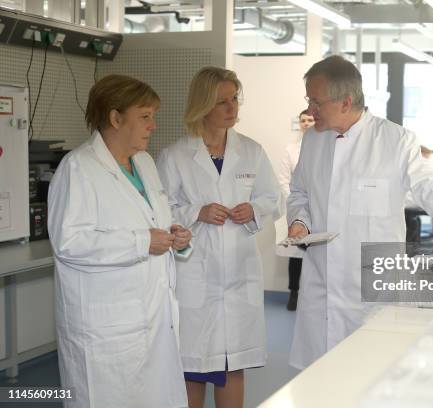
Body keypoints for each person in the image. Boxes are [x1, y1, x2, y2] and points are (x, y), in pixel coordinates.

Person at [286, 55, 433, 369]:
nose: (309, 111)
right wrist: (300, 222)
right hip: (322, 290)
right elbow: (300, 193)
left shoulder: (394, 141)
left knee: (370, 382)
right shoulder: (314, 141)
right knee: (319, 385)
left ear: (346, 102)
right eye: (308, 100)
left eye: (316, 102)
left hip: (370, 294)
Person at [47, 74, 192, 407]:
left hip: (155, 318)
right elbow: (69, 242)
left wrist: (176, 236)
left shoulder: (144, 163)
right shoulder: (78, 168)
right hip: (106, 327)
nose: (153, 125)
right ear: (115, 117)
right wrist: (141, 242)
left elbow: (151, 220)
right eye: (145, 116)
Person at [157, 66, 280, 408]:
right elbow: (160, 208)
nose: (232, 109)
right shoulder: (176, 155)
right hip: (195, 274)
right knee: (192, 366)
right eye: (222, 102)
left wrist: (253, 209)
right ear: (202, 105)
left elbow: (274, 199)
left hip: (239, 272)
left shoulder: (252, 151)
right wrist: (197, 212)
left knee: (232, 363)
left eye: (234, 100)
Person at [277, 109, 315, 310]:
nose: (307, 123)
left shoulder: (326, 147)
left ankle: (313, 297)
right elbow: (284, 180)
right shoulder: (291, 149)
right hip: (297, 209)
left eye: (310, 119)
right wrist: (296, 203)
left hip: (319, 209)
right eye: (303, 120)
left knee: (318, 253)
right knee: (296, 254)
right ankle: (294, 292)